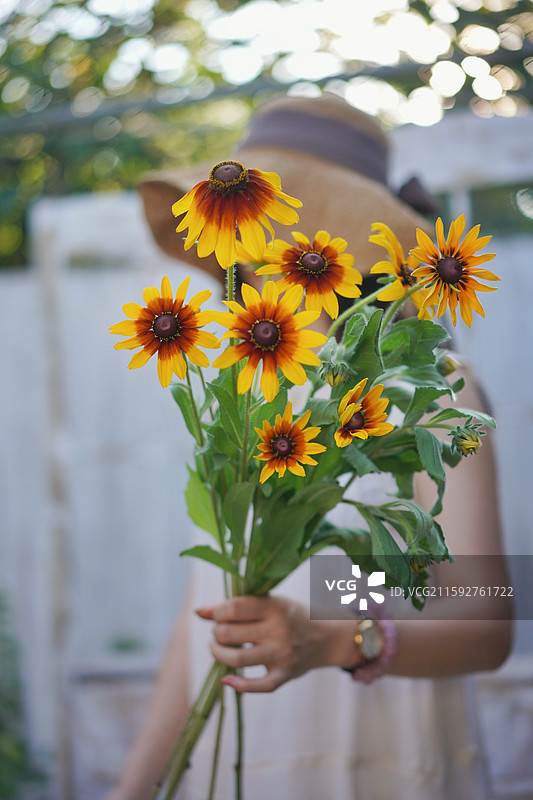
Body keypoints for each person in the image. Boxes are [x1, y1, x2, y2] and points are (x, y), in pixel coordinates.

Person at [104, 94, 512, 800]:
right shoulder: (237, 393)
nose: (232, 230)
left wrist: (337, 635)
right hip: (240, 759)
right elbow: (210, 609)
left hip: (380, 758)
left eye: (249, 207)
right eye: (228, 208)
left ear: (321, 235)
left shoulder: (432, 390)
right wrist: (133, 789)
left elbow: (486, 615)